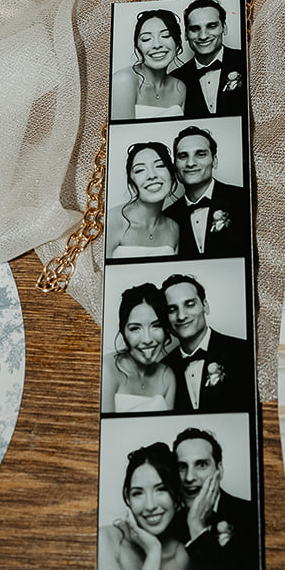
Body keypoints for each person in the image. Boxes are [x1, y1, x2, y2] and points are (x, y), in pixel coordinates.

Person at [176, 427, 262, 570]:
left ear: (219, 470)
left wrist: (196, 526)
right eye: (182, 467)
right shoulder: (169, 526)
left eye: (201, 465)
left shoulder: (253, 515)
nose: (189, 477)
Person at [96, 443, 191, 570]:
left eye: (161, 489)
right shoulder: (105, 540)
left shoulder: (180, 556)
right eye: (138, 493)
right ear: (128, 499)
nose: (150, 506)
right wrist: (153, 552)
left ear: (176, 494)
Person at [162, 273, 254, 413]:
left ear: (205, 306)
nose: (181, 316)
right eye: (172, 309)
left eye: (189, 304)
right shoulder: (162, 369)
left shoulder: (244, 351)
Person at [164, 125, 249, 259]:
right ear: (175, 165)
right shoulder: (167, 217)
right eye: (183, 156)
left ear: (214, 161)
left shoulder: (244, 199)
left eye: (200, 154)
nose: (190, 163)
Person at [101, 282, 177, 413]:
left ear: (166, 329)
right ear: (123, 331)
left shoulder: (167, 377)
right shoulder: (106, 370)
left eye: (156, 326)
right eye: (135, 328)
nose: (147, 339)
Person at [170, 0, 247, 117]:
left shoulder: (247, 60)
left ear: (224, 28)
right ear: (186, 34)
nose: (203, 36)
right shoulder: (174, 80)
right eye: (195, 29)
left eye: (211, 26)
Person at [110, 9, 187, 122]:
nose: (156, 45)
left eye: (166, 36)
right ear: (138, 47)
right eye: (146, 39)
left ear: (177, 42)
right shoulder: (122, 81)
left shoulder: (179, 87)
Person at [106, 142, 181, 259]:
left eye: (160, 166)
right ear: (131, 183)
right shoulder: (111, 221)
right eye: (140, 170)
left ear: (171, 175)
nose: (152, 175)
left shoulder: (174, 228)